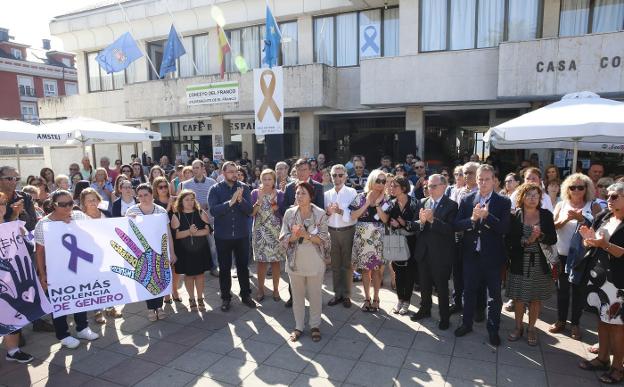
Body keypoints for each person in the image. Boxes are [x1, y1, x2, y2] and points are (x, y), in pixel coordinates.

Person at [34, 190, 100, 348]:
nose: (67, 207)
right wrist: (42, 274)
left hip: (78, 268)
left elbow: (97, 232)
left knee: (80, 297)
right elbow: (40, 252)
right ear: (53, 205)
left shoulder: (78, 216)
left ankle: (82, 328)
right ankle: (63, 334)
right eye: (62, 204)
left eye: (70, 203)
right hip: (55, 271)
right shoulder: (43, 224)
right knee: (59, 302)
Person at [454, 164, 511, 346]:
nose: (483, 183)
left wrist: (488, 217)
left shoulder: (503, 202)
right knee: (468, 291)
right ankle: (466, 323)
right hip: (471, 256)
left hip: (493, 258)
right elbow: (456, 225)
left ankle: (493, 329)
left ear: (494, 180)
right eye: (480, 179)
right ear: (475, 180)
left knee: (494, 296)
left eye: (487, 179)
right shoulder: (467, 198)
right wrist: (472, 219)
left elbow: (504, 228)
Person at [577, 182, 624, 384]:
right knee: (602, 320)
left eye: (615, 197)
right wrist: (587, 239)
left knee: (617, 326)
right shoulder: (604, 215)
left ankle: (618, 367)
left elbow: (621, 251)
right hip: (598, 276)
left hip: (618, 282)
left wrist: (605, 245)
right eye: (608, 196)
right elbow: (589, 241)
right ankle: (602, 358)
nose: (609, 200)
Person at [550, 173, 601, 340]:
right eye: (573, 187)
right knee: (562, 290)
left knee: (578, 291)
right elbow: (553, 227)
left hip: (582, 257)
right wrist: (565, 220)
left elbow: (599, 229)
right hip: (562, 254)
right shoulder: (561, 204)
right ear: (567, 189)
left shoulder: (593, 206)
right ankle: (561, 321)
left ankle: (576, 324)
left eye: (581, 187)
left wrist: (582, 219)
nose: (577, 190)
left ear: (587, 188)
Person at [505, 183, 557, 346]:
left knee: (535, 299)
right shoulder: (515, 216)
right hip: (520, 262)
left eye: (536, 195)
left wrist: (540, 236)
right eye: (529, 195)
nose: (533, 198)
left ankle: (532, 329)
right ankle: (518, 327)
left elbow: (553, 238)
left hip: (540, 264)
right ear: (522, 197)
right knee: (519, 298)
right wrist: (526, 241)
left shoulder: (546, 215)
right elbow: (509, 241)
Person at [279, 181, 330, 342]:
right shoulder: (289, 213)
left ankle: (315, 325)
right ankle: (298, 326)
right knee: (298, 295)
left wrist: (305, 235)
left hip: (315, 260)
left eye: (303, 193)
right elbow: (283, 238)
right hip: (295, 260)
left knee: (315, 294)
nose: (299, 196)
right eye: (297, 193)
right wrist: (295, 236)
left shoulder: (320, 213)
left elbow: (323, 239)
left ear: (311, 196)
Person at [410, 174, 457, 329]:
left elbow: (450, 229)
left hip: (440, 254)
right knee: (424, 285)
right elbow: (414, 225)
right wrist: (421, 222)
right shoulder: (423, 202)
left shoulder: (451, 205)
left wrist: (432, 221)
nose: (430, 189)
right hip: (423, 252)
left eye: (433, 186)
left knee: (442, 288)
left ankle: (444, 317)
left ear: (444, 186)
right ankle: (425, 309)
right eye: (428, 186)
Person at [125, 183, 177, 322]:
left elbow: (168, 233)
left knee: (159, 278)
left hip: (160, 251)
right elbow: (129, 233)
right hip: (142, 253)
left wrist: (172, 252)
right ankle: (150, 308)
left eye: (146, 195)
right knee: (147, 278)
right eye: (140, 195)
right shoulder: (132, 211)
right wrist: (129, 220)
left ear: (151, 195)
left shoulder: (161, 211)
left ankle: (159, 307)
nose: (143, 198)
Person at [208, 161, 256, 311]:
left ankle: (246, 295)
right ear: (223, 173)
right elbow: (214, 211)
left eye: (235, 171)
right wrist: (231, 202)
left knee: (243, 267)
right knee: (224, 268)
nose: (234, 174)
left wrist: (240, 201)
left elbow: (249, 211)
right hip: (223, 236)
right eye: (230, 172)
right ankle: (226, 297)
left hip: (241, 235)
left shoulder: (245, 188)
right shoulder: (215, 189)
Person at [280, 158, 325, 307]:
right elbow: (282, 209)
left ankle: (313, 297)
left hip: (312, 232)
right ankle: (294, 296)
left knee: (312, 269)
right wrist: (293, 206)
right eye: (299, 170)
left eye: (305, 169)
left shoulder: (317, 187)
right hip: (294, 232)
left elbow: (320, 209)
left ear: (310, 171)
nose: (301, 172)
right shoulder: (290, 186)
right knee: (293, 263)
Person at [377, 176, 420, 316]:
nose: (391, 188)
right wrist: (378, 205)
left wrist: (401, 223)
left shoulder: (415, 202)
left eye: (394, 186)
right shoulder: (390, 203)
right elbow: (382, 219)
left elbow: (417, 225)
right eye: (391, 186)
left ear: (404, 188)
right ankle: (400, 300)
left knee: (410, 272)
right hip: (395, 241)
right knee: (398, 271)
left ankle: (407, 301)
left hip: (411, 241)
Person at [79, 188, 122, 323]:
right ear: (84, 203)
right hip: (89, 256)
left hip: (108, 254)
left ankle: (110, 307)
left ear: (98, 200)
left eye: (94, 199)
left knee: (109, 279)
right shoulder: (80, 218)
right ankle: (97, 311)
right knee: (94, 283)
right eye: (88, 200)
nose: (92, 202)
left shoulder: (107, 213)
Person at [0, 191, 34, 363]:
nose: (0, 207)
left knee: (11, 314)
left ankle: (13, 351)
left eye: (1, 203)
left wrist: (22, 231)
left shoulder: (10, 224)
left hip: (11, 280)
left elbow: (28, 244)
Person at [349, 169, 389, 312]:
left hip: (377, 238)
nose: (381, 184)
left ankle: (376, 298)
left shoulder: (386, 199)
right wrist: (367, 203)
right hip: (363, 236)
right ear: (371, 181)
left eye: (383, 181)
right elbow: (353, 216)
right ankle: (367, 298)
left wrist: (378, 204)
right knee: (365, 270)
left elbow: (385, 219)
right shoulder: (360, 197)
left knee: (377, 271)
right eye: (378, 180)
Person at [171, 190, 211, 311]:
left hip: (200, 249)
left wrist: (193, 233)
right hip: (185, 251)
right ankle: (191, 298)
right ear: (181, 201)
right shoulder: (176, 215)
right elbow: (176, 236)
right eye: (187, 199)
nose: (190, 202)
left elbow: (207, 230)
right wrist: (189, 232)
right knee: (189, 276)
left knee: (200, 275)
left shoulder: (200, 212)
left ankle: (200, 298)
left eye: (192, 199)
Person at [324, 164, 357, 308]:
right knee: (335, 265)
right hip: (331, 231)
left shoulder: (352, 192)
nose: (337, 178)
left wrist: (340, 211)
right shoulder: (326, 194)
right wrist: (328, 213)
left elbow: (355, 215)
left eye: (340, 175)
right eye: (334, 175)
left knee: (347, 265)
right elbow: (322, 216)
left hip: (348, 230)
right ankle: (337, 294)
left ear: (345, 176)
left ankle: (347, 295)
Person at [251, 169, 285, 302]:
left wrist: (275, 205)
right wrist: (258, 201)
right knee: (261, 263)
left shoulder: (280, 194)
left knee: (276, 262)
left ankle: (276, 290)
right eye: (264, 179)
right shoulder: (255, 193)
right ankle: (260, 289)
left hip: (276, 232)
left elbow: (283, 212)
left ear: (274, 180)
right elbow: (251, 213)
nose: (267, 182)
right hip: (259, 232)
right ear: (260, 180)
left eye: (269, 179)